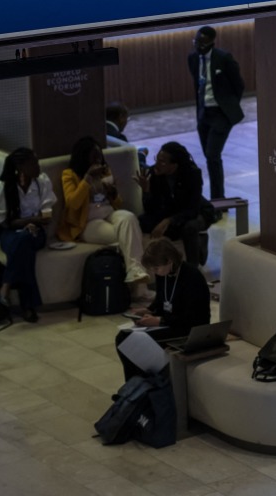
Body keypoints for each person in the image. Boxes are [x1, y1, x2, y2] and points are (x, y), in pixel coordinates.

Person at [59, 136, 149, 292]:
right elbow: (72, 203)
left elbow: (118, 204)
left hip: (109, 213)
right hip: (88, 223)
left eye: (99, 155)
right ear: (83, 157)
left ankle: (135, 274)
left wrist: (113, 194)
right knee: (129, 235)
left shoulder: (105, 170)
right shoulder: (69, 174)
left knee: (129, 218)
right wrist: (87, 178)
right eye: (94, 156)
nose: (98, 159)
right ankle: (140, 288)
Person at [115, 238, 211, 380]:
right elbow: (161, 301)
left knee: (130, 340)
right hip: (171, 323)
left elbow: (193, 318)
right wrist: (148, 311)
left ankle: (145, 382)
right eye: (152, 269)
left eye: (157, 268)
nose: (155, 272)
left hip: (190, 329)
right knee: (123, 337)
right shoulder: (164, 274)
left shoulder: (192, 276)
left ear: (170, 260)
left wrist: (160, 321)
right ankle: (136, 383)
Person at [187, 25, 245, 200]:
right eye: (196, 41)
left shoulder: (224, 58)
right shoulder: (193, 59)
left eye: (202, 42)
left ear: (212, 42)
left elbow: (239, 85)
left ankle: (217, 199)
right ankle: (216, 198)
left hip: (221, 114)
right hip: (204, 114)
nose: (198, 45)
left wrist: (229, 105)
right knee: (208, 156)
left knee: (213, 155)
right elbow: (197, 84)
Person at [0, 148, 55, 323]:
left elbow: (47, 215)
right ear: (21, 167)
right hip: (10, 234)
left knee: (25, 240)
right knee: (24, 247)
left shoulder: (42, 182)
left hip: (36, 232)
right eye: (34, 163)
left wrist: (37, 221)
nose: (38, 166)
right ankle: (28, 307)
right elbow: (4, 222)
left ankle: (5, 286)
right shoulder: (4, 187)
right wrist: (29, 221)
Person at [135, 142, 208, 267]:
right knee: (141, 221)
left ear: (174, 165)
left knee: (189, 228)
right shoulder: (154, 173)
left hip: (195, 213)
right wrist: (146, 191)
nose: (157, 164)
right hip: (170, 211)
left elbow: (192, 209)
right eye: (156, 159)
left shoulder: (192, 174)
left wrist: (168, 221)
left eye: (162, 162)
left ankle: (193, 268)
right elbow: (151, 210)